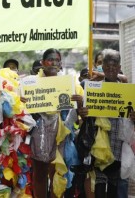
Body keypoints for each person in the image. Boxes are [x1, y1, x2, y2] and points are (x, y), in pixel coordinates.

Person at [29, 48, 84, 198]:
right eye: (50, 59)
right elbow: (23, 107)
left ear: (60, 64)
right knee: (40, 172)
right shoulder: (32, 83)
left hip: (60, 131)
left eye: (57, 60)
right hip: (39, 131)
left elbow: (79, 107)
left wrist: (79, 102)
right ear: (42, 63)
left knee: (57, 172)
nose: (53, 63)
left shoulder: (68, 83)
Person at [81, 49, 133, 198]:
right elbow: (85, 117)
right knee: (99, 183)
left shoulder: (126, 91)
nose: (111, 68)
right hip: (99, 144)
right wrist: (83, 112)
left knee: (114, 184)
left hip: (118, 145)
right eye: (107, 65)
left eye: (114, 65)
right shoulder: (93, 90)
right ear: (102, 67)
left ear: (119, 67)